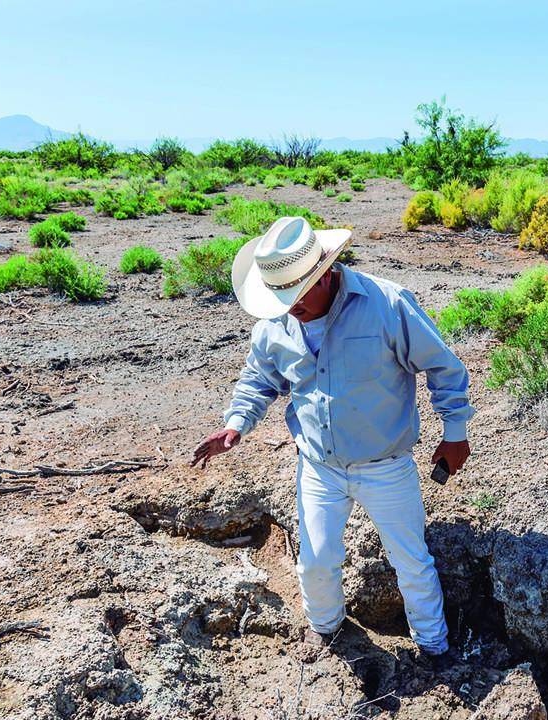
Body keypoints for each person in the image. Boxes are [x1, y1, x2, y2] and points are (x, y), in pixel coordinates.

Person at [191, 216, 474, 668]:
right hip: (318, 466)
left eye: (297, 296)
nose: (290, 308)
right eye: (280, 299)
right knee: (317, 562)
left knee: (412, 563)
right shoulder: (275, 325)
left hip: (385, 465)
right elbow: (259, 378)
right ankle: (326, 633)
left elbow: (443, 366)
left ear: (324, 272)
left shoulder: (387, 304)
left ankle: (434, 648)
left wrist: (454, 431)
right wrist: (236, 424)